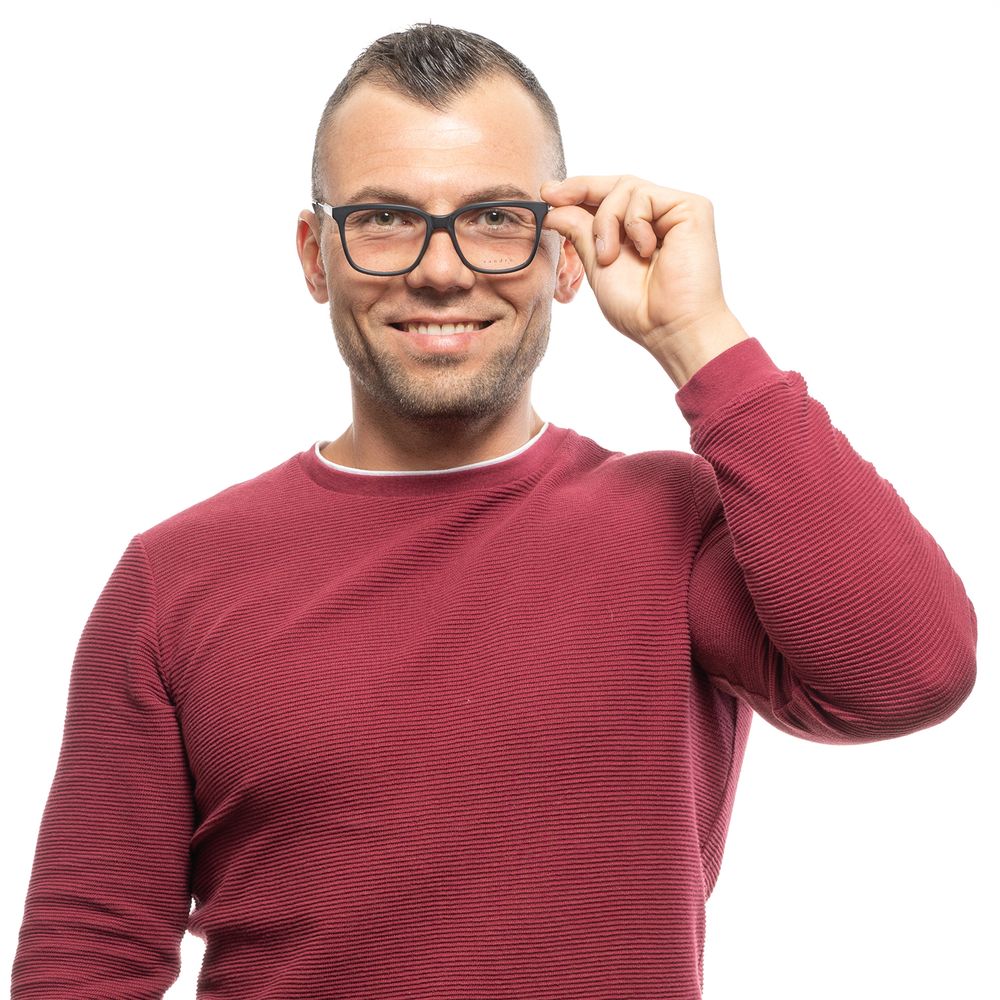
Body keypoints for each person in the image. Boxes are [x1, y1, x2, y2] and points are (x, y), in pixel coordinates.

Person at [10, 22, 977, 1000]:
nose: (440, 268)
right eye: (385, 218)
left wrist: (700, 338)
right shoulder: (171, 582)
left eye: (493, 217)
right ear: (315, 256)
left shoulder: (675, 526)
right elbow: (81, 971)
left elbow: (910, 674)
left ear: (563, 256)